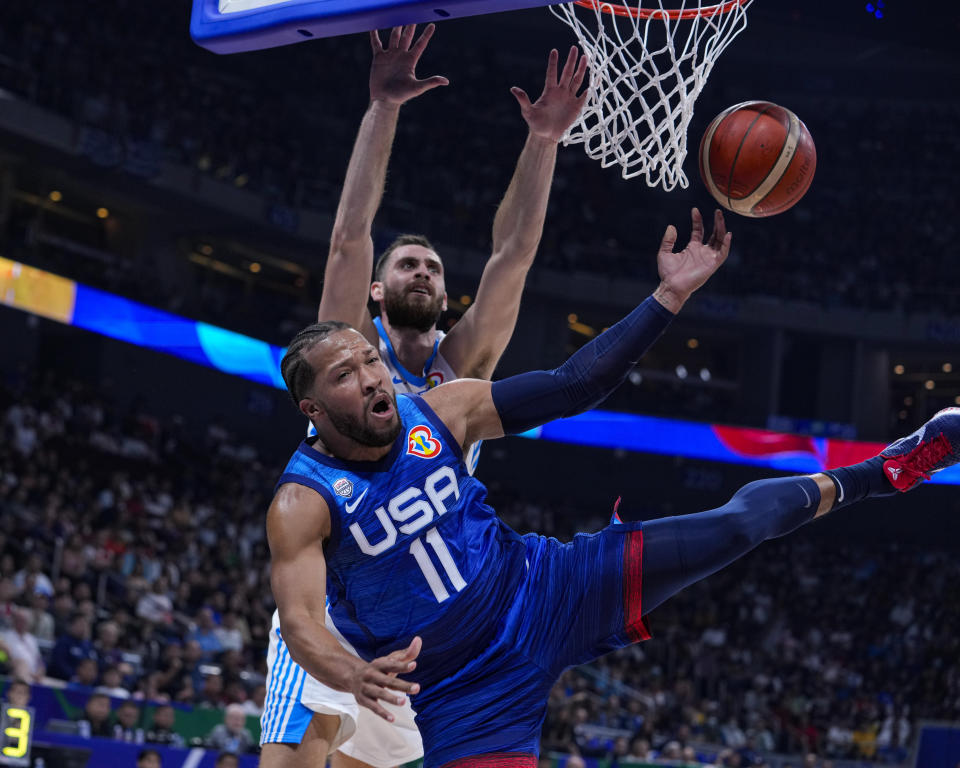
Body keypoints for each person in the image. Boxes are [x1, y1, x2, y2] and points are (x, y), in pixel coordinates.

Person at [266, 208, 960, 768]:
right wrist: (349, 674)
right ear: (314, 410)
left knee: (737, 529)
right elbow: (300, 622)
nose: (371, 377)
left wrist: (668, 297)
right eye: (346, 376)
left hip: (549, 588)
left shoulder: (444, 408)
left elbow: (576, 385)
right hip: (467, 692)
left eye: (368, 361)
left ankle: (883, 470)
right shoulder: (303, 501)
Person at [260, 21, 590, 768]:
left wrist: (543, 141)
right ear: (376, 291)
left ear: (446, 296)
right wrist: (384, 107)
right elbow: (350, 236)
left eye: (435, 269)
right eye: (407, 264)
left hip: (421, 612)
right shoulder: (352, 349)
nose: (423, 273)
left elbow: (514, 256)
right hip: (338, 597)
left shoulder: (463, 365)